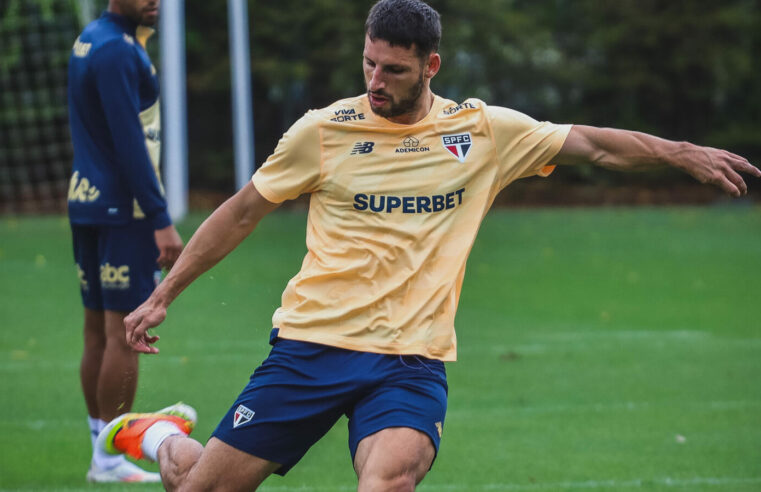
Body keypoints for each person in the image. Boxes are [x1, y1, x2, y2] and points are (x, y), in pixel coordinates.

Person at [97, 0, 759, 490]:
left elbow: (591, 144)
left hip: (408, 361)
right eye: (368, 65)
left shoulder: (481, 133)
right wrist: (163, 296)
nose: (375, 81)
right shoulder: (322, 131)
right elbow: (241, 213)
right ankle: (158, 436)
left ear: (429, 66)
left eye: (392, 70)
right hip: (310, 347)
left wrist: (679, 153)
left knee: (388, 480)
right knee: (200, 486)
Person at [67, 0, 183, 483]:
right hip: (125, 210)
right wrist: (159, 217)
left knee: (97, 331)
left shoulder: (90, 38)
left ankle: (102, 451)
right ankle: (110, 456)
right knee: (123, 336)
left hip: (86, 198)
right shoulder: (119, 51)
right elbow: (129, 139)